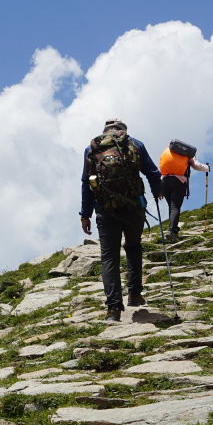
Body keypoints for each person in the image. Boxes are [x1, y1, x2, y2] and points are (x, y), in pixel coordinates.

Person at [80, 119, 163, 321]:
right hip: (133, 206)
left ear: (104, 131)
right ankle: (134, 294)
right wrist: (158, 191)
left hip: (105, 209)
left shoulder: (91, 149)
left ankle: (113, 309)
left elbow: (87, 182)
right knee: (133, 247)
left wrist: (85, 214)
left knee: (109, 257)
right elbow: (152, 171)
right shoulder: (135, 144)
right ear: (123, 131)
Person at [158, 142, 211, 243]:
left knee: (171, 206)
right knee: (175, 207)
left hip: (164, 181)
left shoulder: (167, 151)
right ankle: (172, 230)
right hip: (178, 181)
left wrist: (159, 189)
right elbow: (196, 166)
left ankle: (173, 230)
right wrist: (207, 167)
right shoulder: (187, 153)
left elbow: (160, 167)